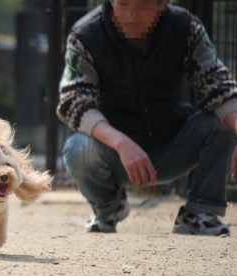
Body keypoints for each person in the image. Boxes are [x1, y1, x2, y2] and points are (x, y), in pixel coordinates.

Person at [57, 0, 237, 235]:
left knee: (222, 123)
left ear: (162, 5)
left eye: (142, 5)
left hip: (174, 145)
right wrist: (121, 143)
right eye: (123, 4)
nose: (132, 15)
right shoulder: (84, 35)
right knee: (76, 148)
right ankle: (108, 208)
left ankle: (200, 212)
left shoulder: (187, 27)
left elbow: (218, 86)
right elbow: (74, 103)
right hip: (114, 154)